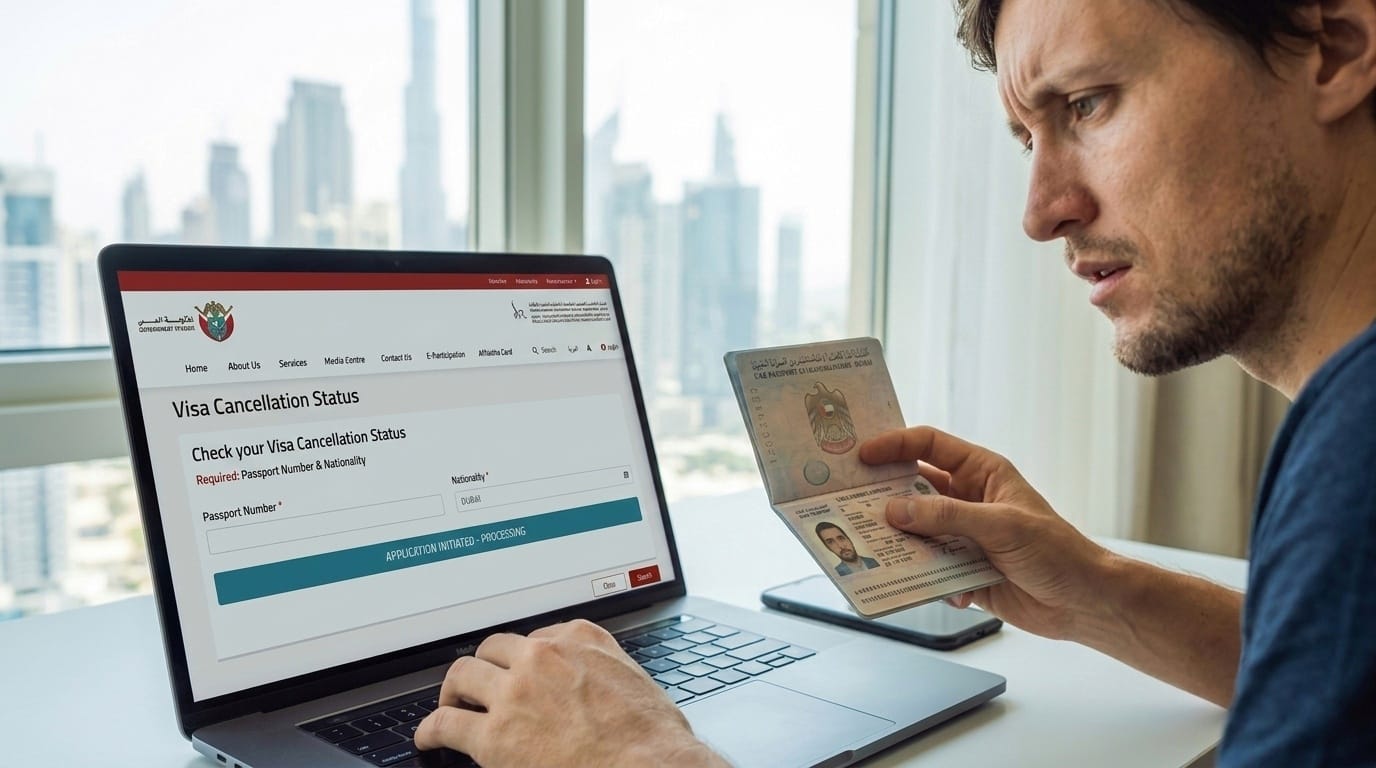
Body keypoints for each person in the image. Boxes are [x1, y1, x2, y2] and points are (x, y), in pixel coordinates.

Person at [415, 0, 1376, 764]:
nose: (1043, 211)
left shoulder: (1357, 459)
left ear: (1331, 45)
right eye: (1023, 139)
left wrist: (634, 760)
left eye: (1087, 102)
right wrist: (1095, 592)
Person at [815, 521, 881, 575]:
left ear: (849, 539)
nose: (841, 546)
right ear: (828, 547)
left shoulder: (874, 561)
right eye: (831, 542)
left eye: (841, 538)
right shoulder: (837, 573)